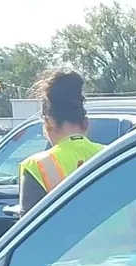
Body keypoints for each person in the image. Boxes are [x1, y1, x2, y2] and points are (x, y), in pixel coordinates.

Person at [17, 69, 102, 214]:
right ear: (86, 123)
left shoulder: (37, 166)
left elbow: (32, 224)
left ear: (49, 122)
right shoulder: (114, 155)